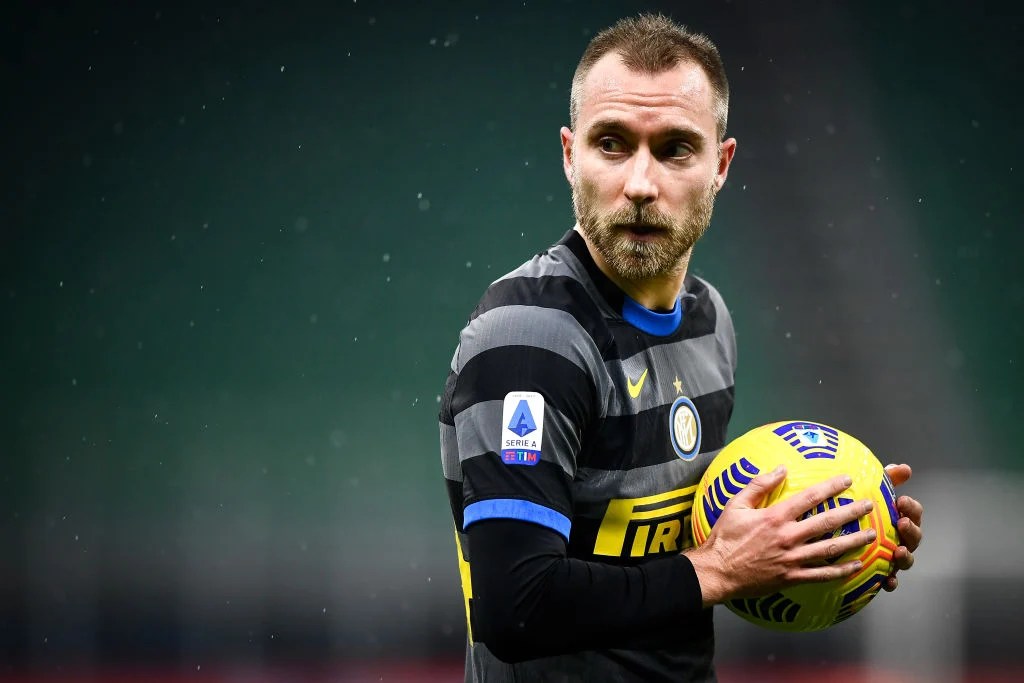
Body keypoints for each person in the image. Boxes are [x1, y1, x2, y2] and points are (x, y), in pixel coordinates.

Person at [438, 13, 923, 683]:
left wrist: (837, 529)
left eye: (674, 149)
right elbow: (517, 606)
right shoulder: (530, 338)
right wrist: (721, 568)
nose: (641, 184)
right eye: (612, 144)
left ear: (720, 165)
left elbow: (693, 547)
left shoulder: (710, 319)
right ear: (570, 155)